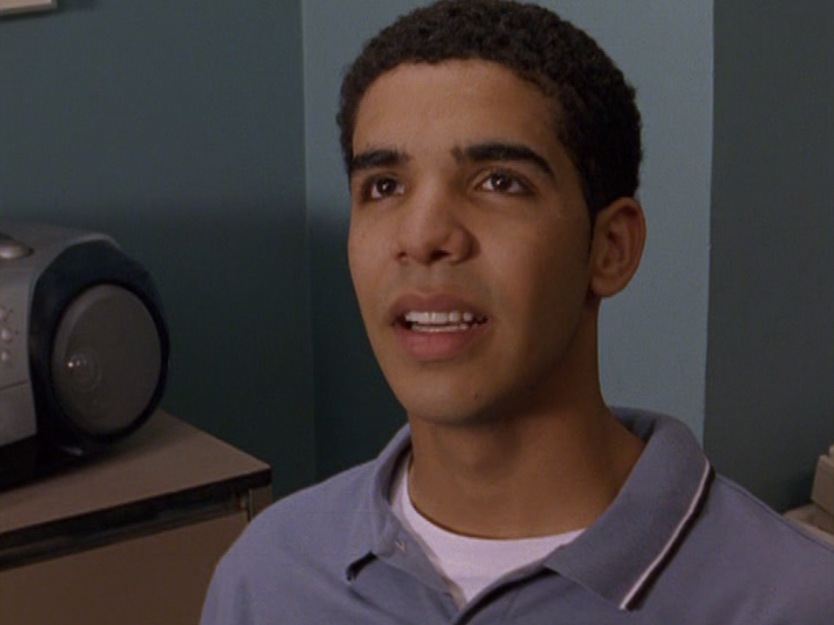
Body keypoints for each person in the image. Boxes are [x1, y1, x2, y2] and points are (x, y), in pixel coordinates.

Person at [200, 1, 834, 622]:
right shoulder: (269, 575)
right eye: (384, 186)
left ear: (610, 248)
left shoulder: (795, 601)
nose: (422, 236)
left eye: (499, 181)